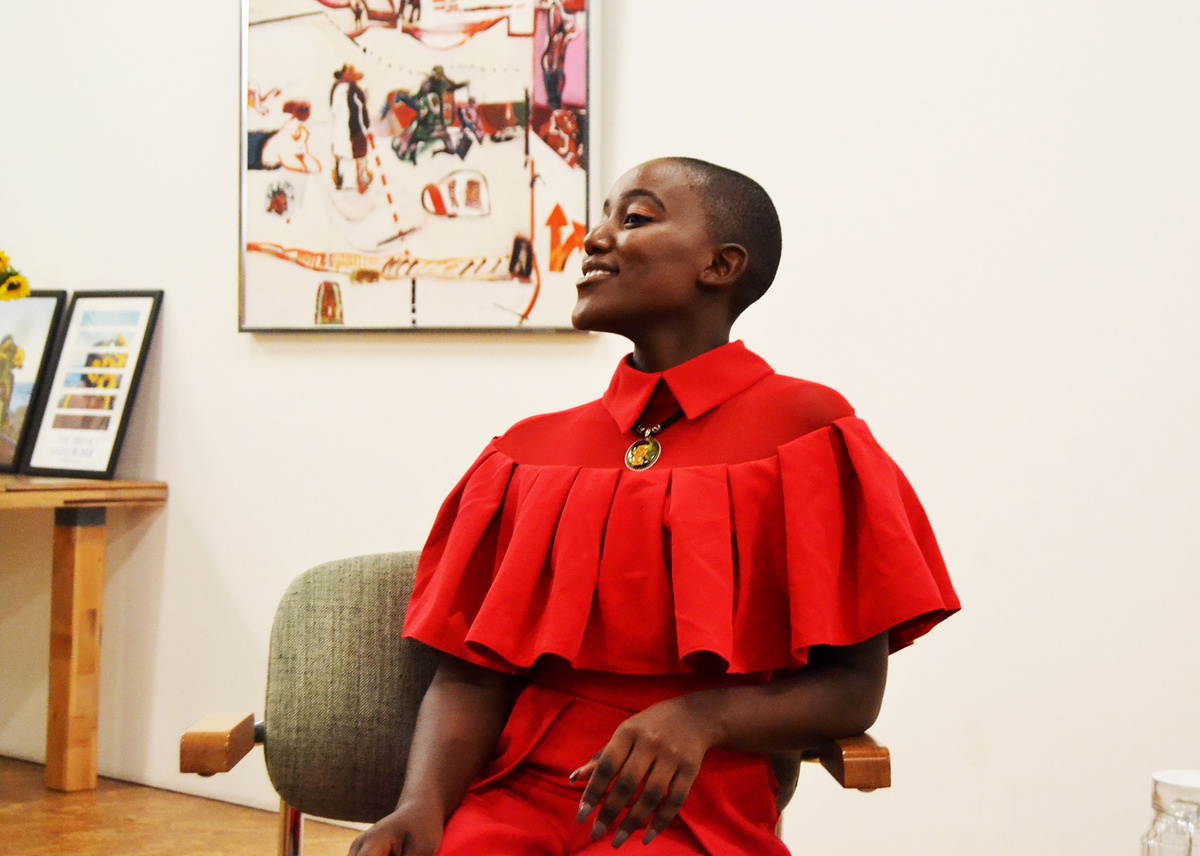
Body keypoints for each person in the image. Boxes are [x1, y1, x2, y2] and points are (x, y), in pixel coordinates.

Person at [349, 157, 960, 856]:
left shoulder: (809, 431)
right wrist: (421, 807)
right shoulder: (526, 452)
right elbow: (470, 676)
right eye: (604, 217)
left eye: (634, 218)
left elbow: (853, 689)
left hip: (690, 811)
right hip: (513, 801)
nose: (595, 238)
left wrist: (701, 718)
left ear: (721, 265)